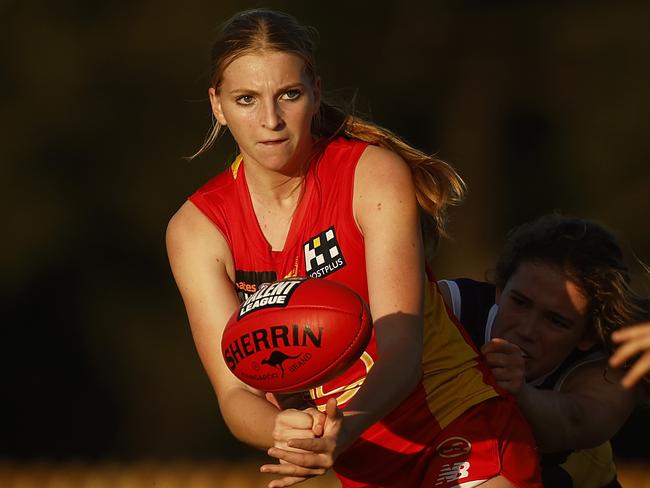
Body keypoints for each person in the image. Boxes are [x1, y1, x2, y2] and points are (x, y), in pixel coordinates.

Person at [166, 8, 541, 488]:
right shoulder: (196, 229)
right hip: (365, 462)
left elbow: (402, 351)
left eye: (290, 95)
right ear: (217, 106)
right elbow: (236, 394)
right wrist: (282, 430)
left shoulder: (372, 175)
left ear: (316, 92)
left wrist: (341, 432)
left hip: (459, 422)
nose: (271, 120)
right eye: (246, 99)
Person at [438, 214, 650, 488]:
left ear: (588, 335)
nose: (527, 329)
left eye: (556, 321)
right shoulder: (446, 308)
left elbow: (573, 423)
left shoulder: (610, 369)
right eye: (520, 302)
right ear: (500, 289)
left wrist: (521, 394)